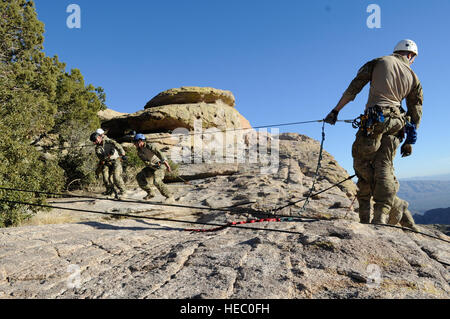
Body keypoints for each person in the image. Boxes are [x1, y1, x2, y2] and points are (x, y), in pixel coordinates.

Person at [324, 39, 423, 230]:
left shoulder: (379, 62)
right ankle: (382, 215)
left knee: (362, 165)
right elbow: (416, 111)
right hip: (397, 124)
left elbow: (354, 89)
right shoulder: (414, 77)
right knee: (384, 167)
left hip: (375, 120)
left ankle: (367, 218)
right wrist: (410, 141)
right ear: (410, 56)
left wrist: (335, 111)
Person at [133, 133, 174, 203]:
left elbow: (160, 154)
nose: (134, 144)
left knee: (157, 181)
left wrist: (167, 165)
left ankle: (170, 197)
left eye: (135, 142)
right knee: (139, 176)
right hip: (152, 167)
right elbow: (146, 162)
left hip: (161, 165)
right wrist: (152, 165)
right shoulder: (139, 152)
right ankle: (150, 192)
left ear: (140, 141)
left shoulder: (150, 146)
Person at [90, 132, 127, 197]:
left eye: (95, 140)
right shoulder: (97, 148)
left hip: (116, 160)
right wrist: (108, 156)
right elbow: (101, 158)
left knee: (116, 177)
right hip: (107, 162)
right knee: (106, 177)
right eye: (93, 141)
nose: (94, 143)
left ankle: (123, 192)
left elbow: (118, 145)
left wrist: (122, 154)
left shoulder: (109, 141)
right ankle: (111, 192)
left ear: (99, 137)